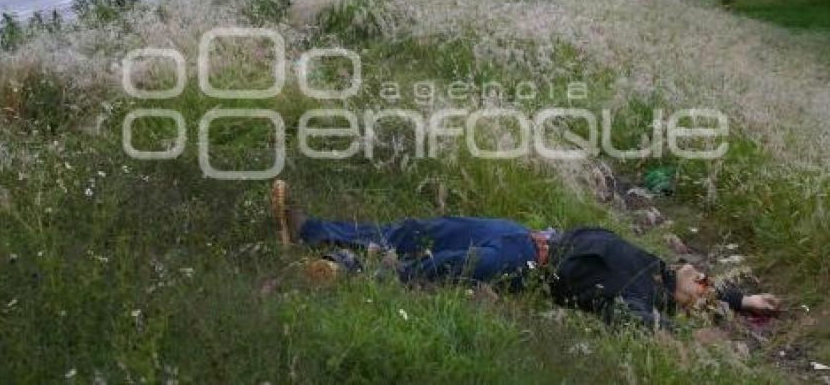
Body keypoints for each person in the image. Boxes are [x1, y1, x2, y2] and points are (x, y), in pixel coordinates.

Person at [271, 181, 781, 332]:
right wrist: (742, 298)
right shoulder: (658, 267)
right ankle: (311, 230)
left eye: (704, 286)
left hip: (525, 267)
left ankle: (343, 272)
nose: (703, 276)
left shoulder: (641, 301)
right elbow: (713, 293)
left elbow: (654, 327)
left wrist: (701, 320)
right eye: (706, 276)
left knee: (431, 271)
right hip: (523, 234)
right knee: (417, 231)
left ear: (687, 301)